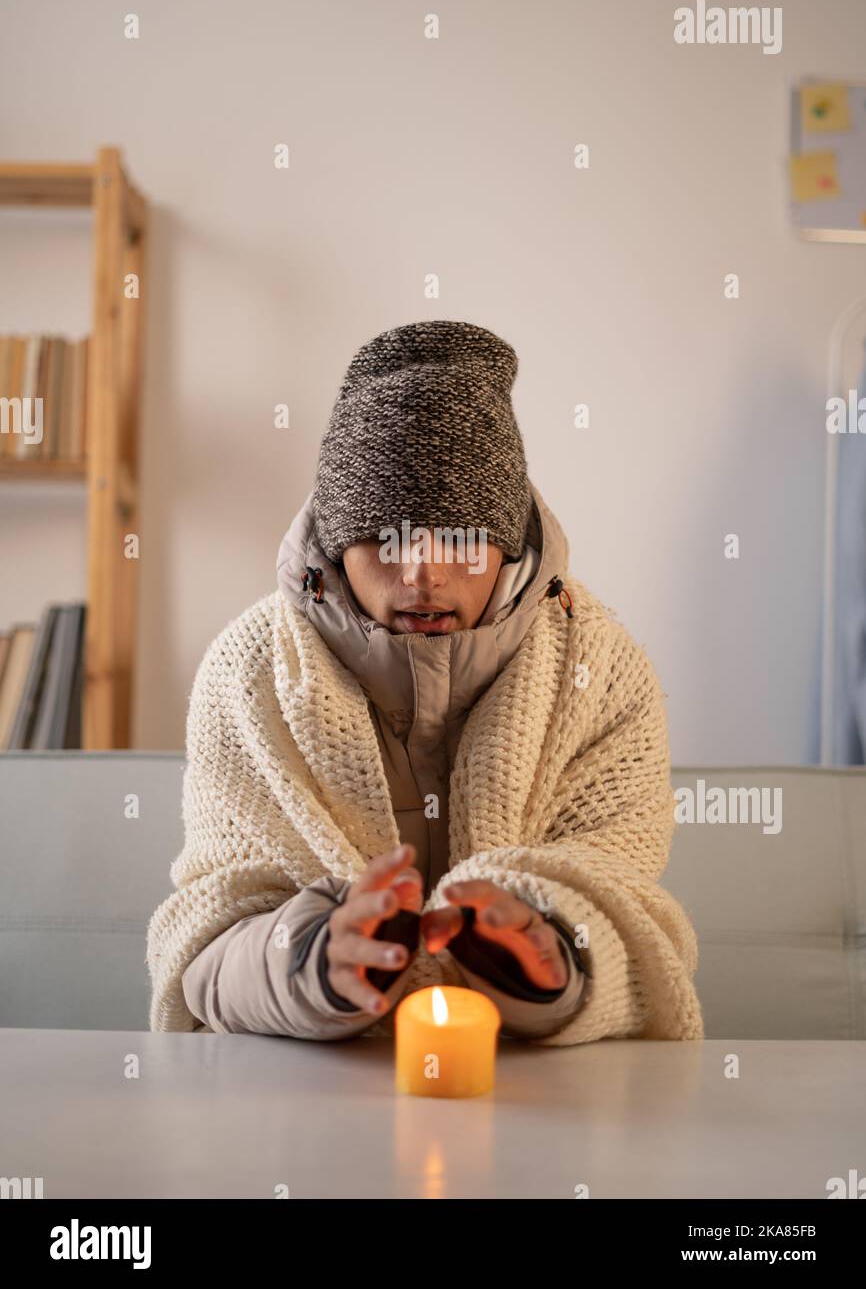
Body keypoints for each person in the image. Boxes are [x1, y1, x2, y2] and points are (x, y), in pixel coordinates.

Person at [146, 320, 703, 1046]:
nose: (423, 574)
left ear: (506, 545)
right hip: (301, 1109)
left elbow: (629, 910)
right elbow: (207, 940)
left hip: (543, 1109)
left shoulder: (600, 674)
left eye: (461, 538)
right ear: (338, 546)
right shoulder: (249, 675)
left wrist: (553, 961)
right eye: (387, 537)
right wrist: (309, 961)